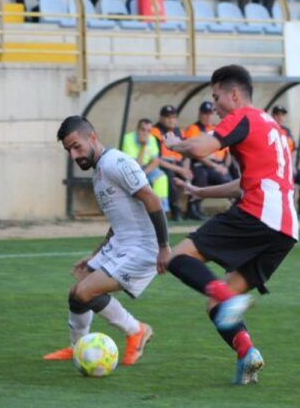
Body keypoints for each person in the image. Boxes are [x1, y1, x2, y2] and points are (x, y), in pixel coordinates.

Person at [162, 65, 298, 385]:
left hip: (258, 214)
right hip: (285, 230)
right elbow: (245, 182)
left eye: (217, 96)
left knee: (178, 258)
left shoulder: (243, 116)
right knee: (215, 305)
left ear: (234, 94)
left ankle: (229, 298)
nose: (216, 105)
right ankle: (247, 353)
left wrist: (174, 142)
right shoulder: (270, 125)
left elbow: (198, 148)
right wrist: (201, 191)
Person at [44, 116, 170, 365]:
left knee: (85, 292)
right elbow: (119, 221)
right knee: (75, 293)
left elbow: (152, 199)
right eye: (69, 150)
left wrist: (164, 247)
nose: (74, 155)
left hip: (142, 248)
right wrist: (95, 255)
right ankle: (79, 348)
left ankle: (136, 330)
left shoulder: (116, 162)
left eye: (77, 146)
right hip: (122, 244)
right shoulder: (100, 172)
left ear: (92, 137)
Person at [183, 101, 233, 220]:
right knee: (201, 176)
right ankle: (193, 209)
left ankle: (235, 207)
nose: (208, 116)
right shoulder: (193, 128)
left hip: (218, 164)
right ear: (200, 114)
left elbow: (228, 151)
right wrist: (216, 166)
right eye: (205, 113)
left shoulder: (216, 128)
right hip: (201, 163)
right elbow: (194, 152)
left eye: (210, 113)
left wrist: (225, 166)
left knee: (227, 178)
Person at [271, 105, 300, 217]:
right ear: (273, 116)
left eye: (282, 114)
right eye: (278, 114)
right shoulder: (270, 129)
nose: (280, 117)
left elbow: (292, 151)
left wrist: (292, 167)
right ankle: (285, 210)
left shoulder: (287, 131)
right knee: (288, 179)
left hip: (289, 166)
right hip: (276, 168)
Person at [151, 105, 193, 221]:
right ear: (161, 118)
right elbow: (157, 159)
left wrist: (186, 169)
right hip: (164, 164)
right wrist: (180, 170)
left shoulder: (179, 131)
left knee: (196, 174)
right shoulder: (156, 131)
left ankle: (192, 209)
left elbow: (186, 154)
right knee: (170, 176)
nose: (171, 120)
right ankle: (175, 210)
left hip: (179, 164)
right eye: (167, 117)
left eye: (173, 117)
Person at [121, 118, 170, 213]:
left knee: (161, 177)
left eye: (148, 131)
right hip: (130, 169)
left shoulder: (151, 139)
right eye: (143, 130)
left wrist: (144, 173)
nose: (145, 133)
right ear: (137, 129)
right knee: (138, 179)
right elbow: (135, 165)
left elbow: (156, 161)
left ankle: (162, 209)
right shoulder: (128, 139)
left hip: (145, 169)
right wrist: (144, 146)